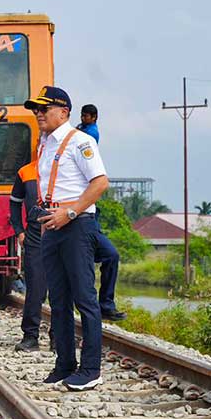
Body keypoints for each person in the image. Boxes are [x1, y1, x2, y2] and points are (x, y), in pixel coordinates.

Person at [25, 86, 109, 392]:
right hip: (54, 227)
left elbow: (100, 183)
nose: (38, 114)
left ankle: (91, 368)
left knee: (84, 298)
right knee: (58, 300)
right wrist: (51, 219)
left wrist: (70, 213)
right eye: (36, 109)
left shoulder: (81, 142)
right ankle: (64, 364)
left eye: (44, 109)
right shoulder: (45, 145)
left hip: (76, 227)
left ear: (64, 112)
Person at [76, 105, 125, 321]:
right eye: (82, 115)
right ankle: (85, 306)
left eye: (87, 116)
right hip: (77, 220)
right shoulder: (78, 135)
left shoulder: (90, 134)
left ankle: (105, 304)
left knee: (111, 255)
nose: (83, 118)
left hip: (90, 218)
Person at [10, 160, 47, 352]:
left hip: (63, 231)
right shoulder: (26, 172)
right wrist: (19, 230)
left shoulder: (67, 166)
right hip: (34, 235)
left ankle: (59, 338)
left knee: (63, 288)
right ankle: (30, 337)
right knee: (35, 288)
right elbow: (14, 203)